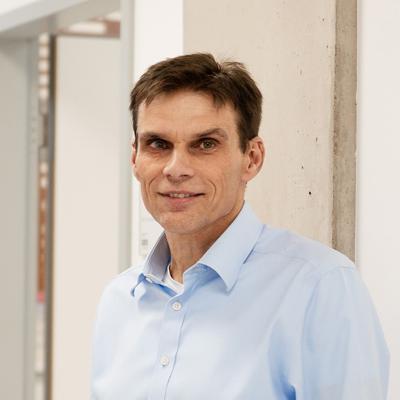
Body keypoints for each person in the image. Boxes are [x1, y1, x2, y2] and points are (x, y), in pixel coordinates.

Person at [91, 53, 389, 399]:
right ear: (135, 158)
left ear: (252, 158)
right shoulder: (119, 302)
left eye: (205, 144)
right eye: (158, 144)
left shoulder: (318, 288)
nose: (176, 169)